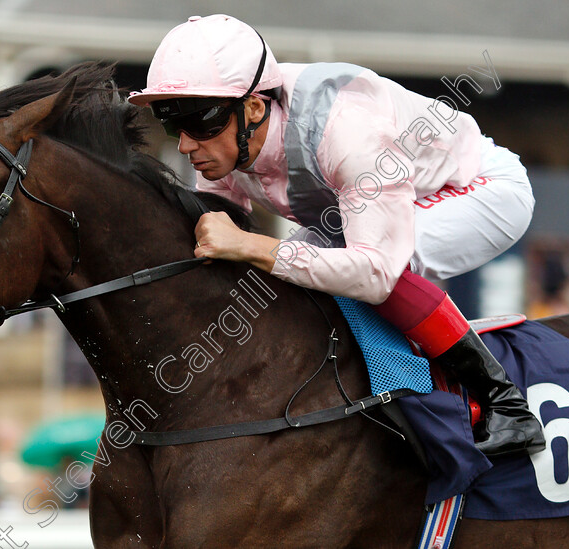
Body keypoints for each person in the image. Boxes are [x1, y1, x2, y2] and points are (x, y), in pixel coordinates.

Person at [128, 14, 544, 456]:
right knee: (296, 264)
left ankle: (506, 405)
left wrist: (255, 246)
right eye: (174, 125)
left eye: (199, 124)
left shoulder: (346, 131)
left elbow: (376, 272)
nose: (187, 145)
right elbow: (216, 239)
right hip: (376, 207)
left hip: (477, 188)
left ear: (252, 109)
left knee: (342, 266)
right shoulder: (230, 139)